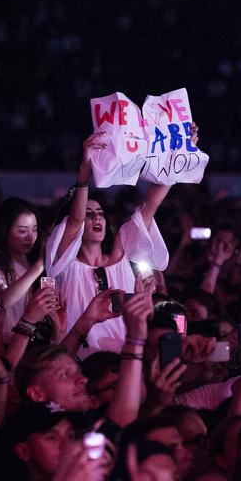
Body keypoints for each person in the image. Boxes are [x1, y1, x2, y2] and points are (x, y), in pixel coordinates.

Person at [45, 125, 198, 357]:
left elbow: (152, 203)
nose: (96, 216)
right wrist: (85, 167)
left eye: (99, 212)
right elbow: (75, 221)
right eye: (88, 213)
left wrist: (179, 153)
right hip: (79, 360)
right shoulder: (62, 264)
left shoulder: (122, 249)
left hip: (126, 358)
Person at [0, 198, 52, 345]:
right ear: (5, 230)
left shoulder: (40, 265)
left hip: (40, 346)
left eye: (35, 229)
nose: (30, 237)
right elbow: (5, 300)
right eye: (22, 231)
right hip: (6, 345)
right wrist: (38, 267)